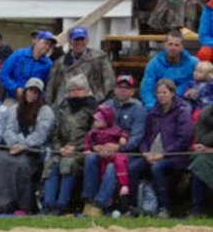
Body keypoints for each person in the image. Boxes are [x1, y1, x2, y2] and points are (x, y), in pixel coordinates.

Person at [0, 78, 53, 214]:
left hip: (34, 151)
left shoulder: (46, 112)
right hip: (13, 148)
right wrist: (14, 144)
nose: (32, 95)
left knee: (21, 167)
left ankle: (24, 206)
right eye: (30, 91)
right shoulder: (14, 109)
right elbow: (8, 130)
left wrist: (23, 145)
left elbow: (40, 135)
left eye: (36, 93)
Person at [126, 78, 193, 218]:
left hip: (175, 155)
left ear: (172, 93)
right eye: (159, 93)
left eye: (165, 92)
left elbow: (184, 139)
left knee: (157, 168)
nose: (162, 95)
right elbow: (145, 137)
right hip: (152, 153)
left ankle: (164, 208)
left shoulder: (182, 110)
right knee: (133, 167)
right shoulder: (153, 112)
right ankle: (133, 207)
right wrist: (145, 152)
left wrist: (162, 154)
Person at [81, 79, 144, 218]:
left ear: (133, 91)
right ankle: (89, 201)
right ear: (114, 89)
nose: (122, 90)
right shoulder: (106, 105)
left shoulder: (138, 108)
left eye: (127, 88)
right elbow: (94, 131)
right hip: (103, 150)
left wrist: (119, 147)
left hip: (127, 153)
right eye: (119, 87)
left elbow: (137, 137)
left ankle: (100, 204)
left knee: (112, 167)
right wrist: (96, 147)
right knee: (90, 157)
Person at [40, 74, 97, 214]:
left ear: (86, 90)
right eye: (72, 89)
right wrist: (60, 148)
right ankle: (48, 204)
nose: (75, 92)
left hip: (82, 150)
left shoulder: (93, 108)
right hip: (62, 149)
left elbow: (95, 134)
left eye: (78, 89)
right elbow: (55, 132)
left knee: (68, 164)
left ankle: (61, 204)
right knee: (51, 163)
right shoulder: (62, 108)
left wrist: (77, 148)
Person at [47, 26, 113, 104]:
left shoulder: (99, 58)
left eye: (82, 39)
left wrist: (100, 101)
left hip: (93, 103)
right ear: (70, 41)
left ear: (87, 40)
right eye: (76, 39)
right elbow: (52, 87)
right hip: (67, 105)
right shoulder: (60, 63)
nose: (79, 42)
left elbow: (109, 82)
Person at [139, 31, 196, 109]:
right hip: (160, 104)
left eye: (176, 45)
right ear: (164, 45)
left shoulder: (193, 63)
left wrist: (196, 90)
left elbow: (205, 83)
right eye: (170, 44)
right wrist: (153, 107)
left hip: (184, 103)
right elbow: (147, 90)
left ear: (182, 47)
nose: (173, 48)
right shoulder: (154, 64)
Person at [0, 30, 55, 100]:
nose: (47, 47)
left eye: (50, 45)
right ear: (36, 41)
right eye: (45, 43)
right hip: (13, 97)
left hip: (33, 101)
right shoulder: (19, 55)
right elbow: (3, 74)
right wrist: (15, 88)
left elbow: (47, 86)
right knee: (3, 110)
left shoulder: (48, 64)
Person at [188, 88, 213, 216]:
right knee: (199, 161)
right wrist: (201, 147)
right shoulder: (207, 113)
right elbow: (200, 138)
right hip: (207, 155)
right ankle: (197, 207)